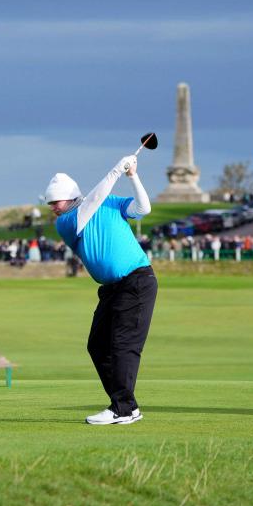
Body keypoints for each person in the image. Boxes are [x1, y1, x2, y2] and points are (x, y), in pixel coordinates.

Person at [45, 154, 156, 426]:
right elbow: (92, 202)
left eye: (56, 202)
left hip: (136, 281)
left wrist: (132, 176)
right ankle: (126, 405)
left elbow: (144, 208)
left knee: (122, 345)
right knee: (97, 345)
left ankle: (123, 409)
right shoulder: (66, 222)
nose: (53, 208)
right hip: (110, 289)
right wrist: (116, 170)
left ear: (71, 197)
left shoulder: (110, 202)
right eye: (50, 203)